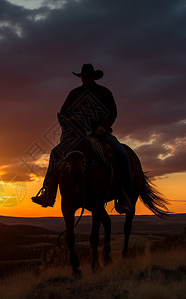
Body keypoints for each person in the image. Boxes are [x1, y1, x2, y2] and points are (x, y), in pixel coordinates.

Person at [32, 64, 133, 214]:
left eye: (88, 76)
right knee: (55, 153)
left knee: (122, 153)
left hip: (100, 134)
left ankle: (124, 196)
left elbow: (112, 112)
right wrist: (71, 123)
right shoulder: (74, 93)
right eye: (83, 77)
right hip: (77, 135)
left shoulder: (104, 92)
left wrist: (103, 126)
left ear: (93, 77)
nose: (85, 79)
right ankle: (48, 193)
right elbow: (64, 112)